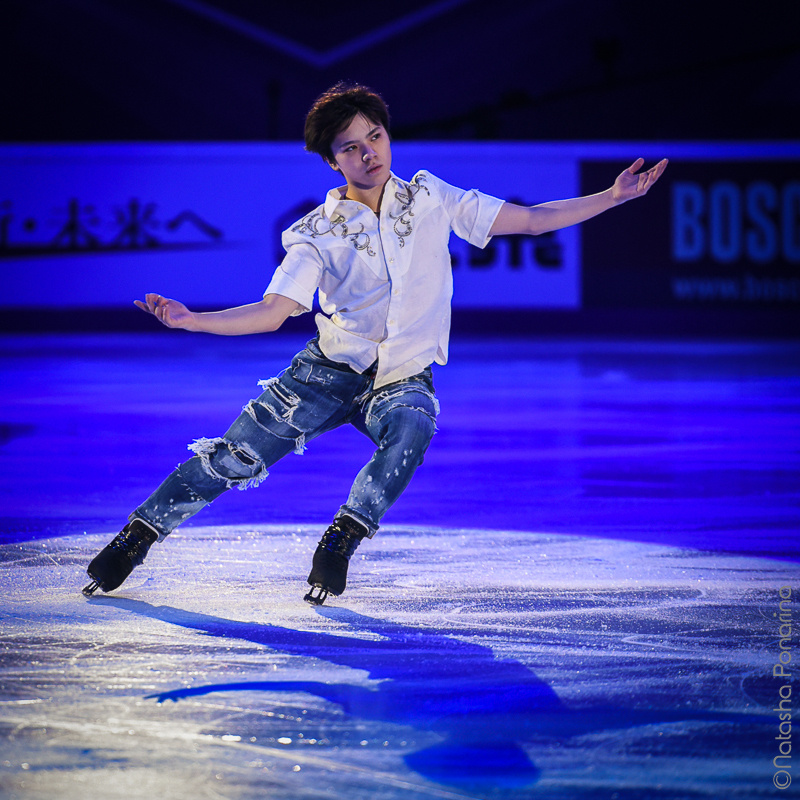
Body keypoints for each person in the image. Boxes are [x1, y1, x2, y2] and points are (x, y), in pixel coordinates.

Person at [83, 81, 667, 605]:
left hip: (402, 376)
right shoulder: (316, 232)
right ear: (332, 162)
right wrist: (192, 321)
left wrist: (612, 197)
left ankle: (343, 536)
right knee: (232, 458)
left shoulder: (432, 198)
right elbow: (273, 312)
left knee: (414, 425)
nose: (368, 153)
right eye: (350, 147)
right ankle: (139, 534)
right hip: (325, 373)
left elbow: (532, 220)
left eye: (375, 136)